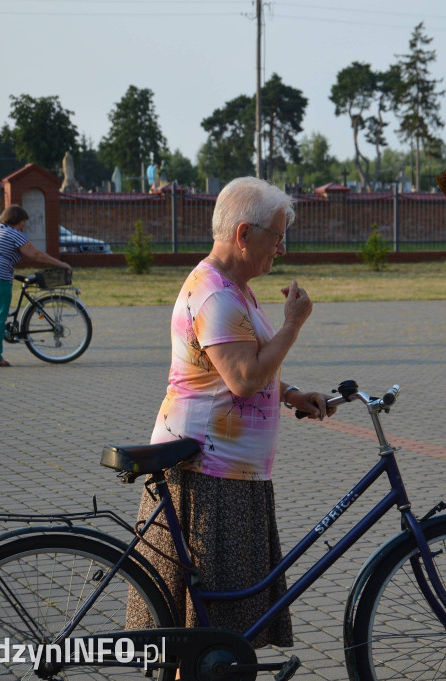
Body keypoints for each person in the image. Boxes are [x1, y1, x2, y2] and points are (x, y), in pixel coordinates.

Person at [126, 176, 336, 648]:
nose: (281, 248)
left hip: (227, 475)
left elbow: (236, 368)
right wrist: (294, 325)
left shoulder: (232, 287)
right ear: (244, 234)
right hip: (209, 479)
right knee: (211, 639)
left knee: (210, 635)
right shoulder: (218, 295)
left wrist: (291, 394)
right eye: (277, 236)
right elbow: (242, 378)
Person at [0, 205, 72, 367]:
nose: (24, 226)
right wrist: (61, 264)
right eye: (23, 222)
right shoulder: (15, 234)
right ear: (16, 220)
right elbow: (35, 254)